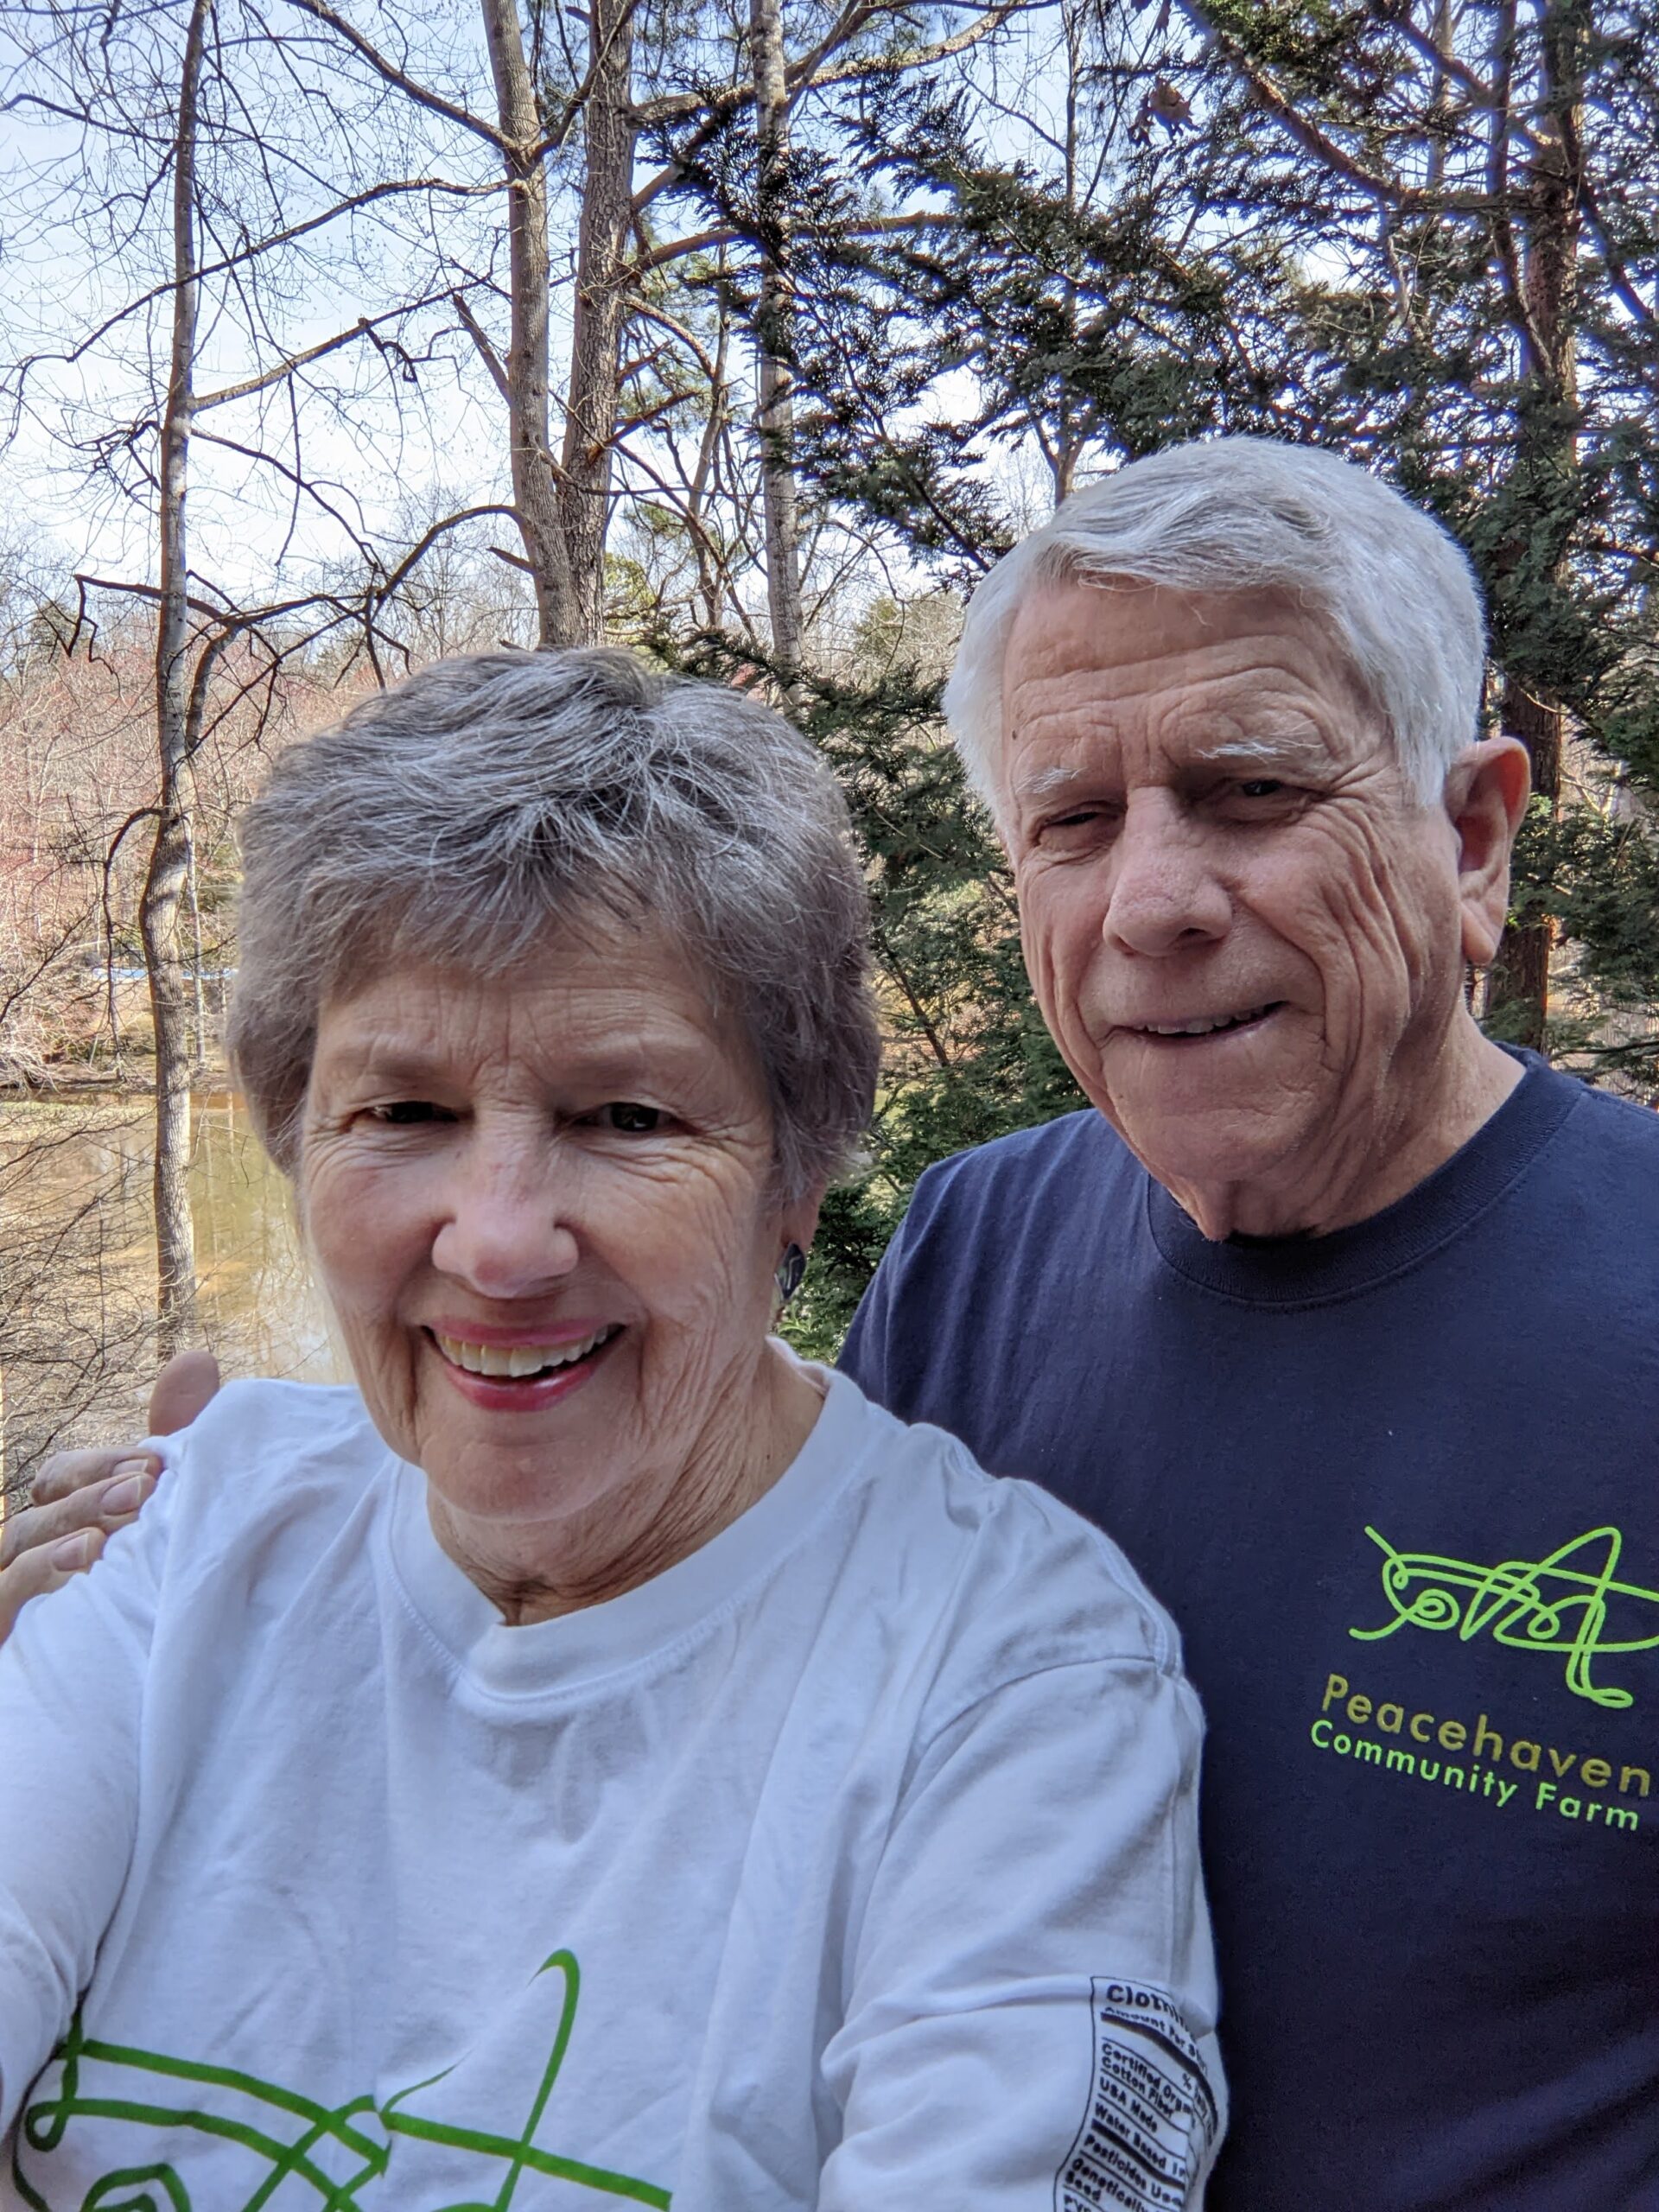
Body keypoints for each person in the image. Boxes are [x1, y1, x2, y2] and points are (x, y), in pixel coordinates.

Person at [0, 649, 1223, 2212]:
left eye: (626, 1118)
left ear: (797, 1173)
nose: (499, 1242)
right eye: (405, 1114)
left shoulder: (1010, 1682)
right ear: (300, 1139)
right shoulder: (183, 1525)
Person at [840, 437, 1659, 2209]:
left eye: (1250, 789)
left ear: (1473, 835)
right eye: (1073, 821)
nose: (1151, 902)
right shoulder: (973, 1246)